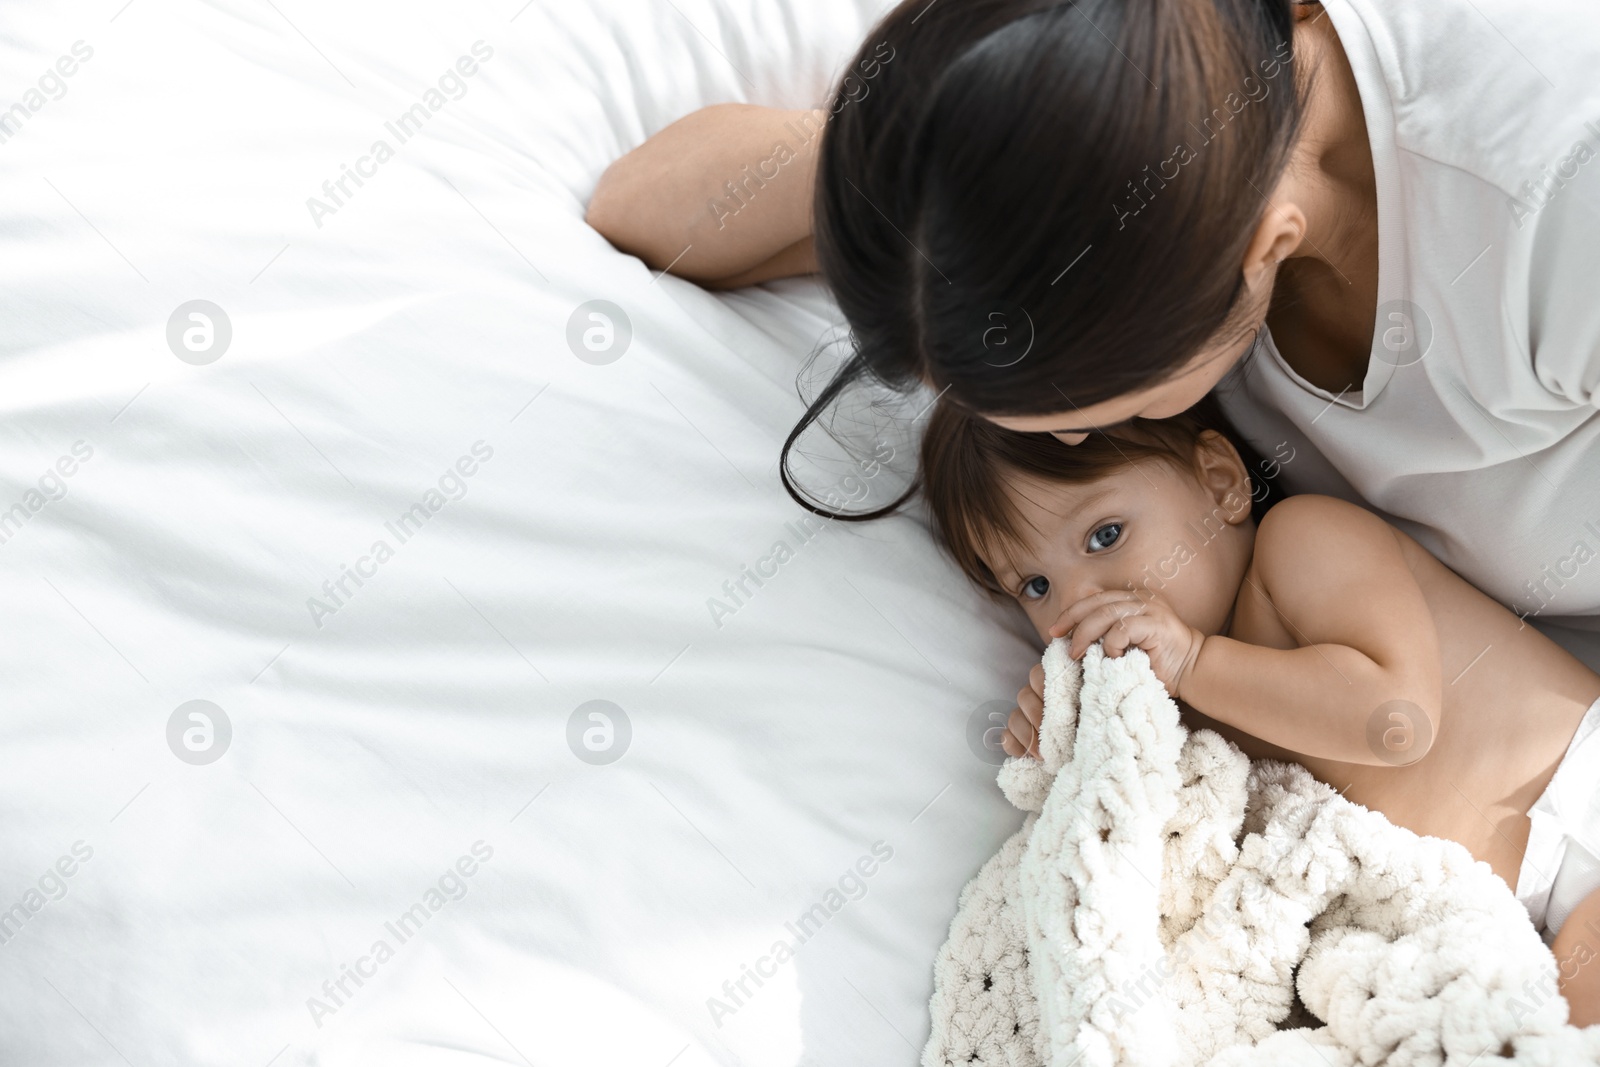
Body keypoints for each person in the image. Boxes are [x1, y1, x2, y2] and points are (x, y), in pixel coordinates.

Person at [587, 0, 1600, 650]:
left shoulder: (1554, 184)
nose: (1065, 441)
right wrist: (957, 173)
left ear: (1258, 250)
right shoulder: (1150, 109)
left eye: (1075, 412)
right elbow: (641, 207)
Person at [915, 391, 1600, 1024]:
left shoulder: (1299, 545)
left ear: (1220, 483)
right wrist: (1064, 745)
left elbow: (1398, 721)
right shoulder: (1178, 711)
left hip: (1577, 806)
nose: (1077, 604)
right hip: (1493, 931)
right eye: (1034, 585)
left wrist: (1192, 662)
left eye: (1105, 535)